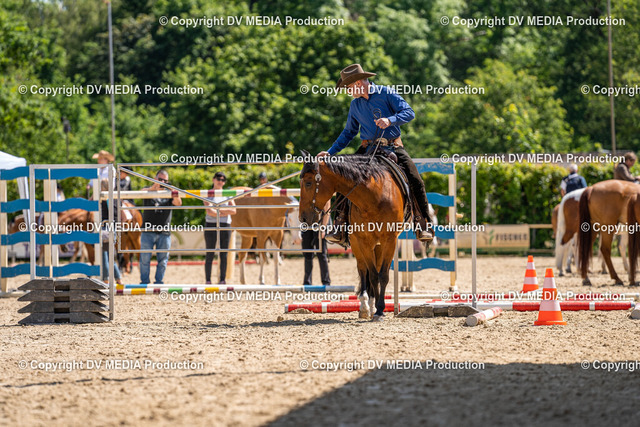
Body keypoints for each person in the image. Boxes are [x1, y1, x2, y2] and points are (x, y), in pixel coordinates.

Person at [317, 63, 434, 246]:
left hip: (393, 147)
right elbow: (349, 132)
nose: (348, 91)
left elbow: (409, 113)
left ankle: (422, 224)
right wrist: (330, 153)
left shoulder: (386, 93)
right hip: (367, 149)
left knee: (415, 179)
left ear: (358, 83)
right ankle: (339, 225)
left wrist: (390, 120)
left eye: (348, 87)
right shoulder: (355, 105)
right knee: (343, 176)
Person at [139, 169, 182, 284]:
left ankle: (159, 282)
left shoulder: (169, 193)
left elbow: (178, 203)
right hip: (148, 231)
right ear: (155, 179)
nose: (162, 182)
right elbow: (140, 192)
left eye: (165, 181)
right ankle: (144, 282)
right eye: (160, 179)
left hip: (164, 232)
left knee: (163, 260)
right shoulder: (148, 190)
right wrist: (154, 187)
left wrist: (173, 190)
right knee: (144, 259)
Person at [204, 172, 236, 284]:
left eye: (223, 180)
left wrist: (217, 210)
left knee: (224, 254)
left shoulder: (228, 193)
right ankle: (208, 280)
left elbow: (234, 210)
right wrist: (224, 212)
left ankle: (222, 279)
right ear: (213, 179)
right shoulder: (208, 193)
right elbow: (209, 212)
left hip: (225, 225)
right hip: (211, 224)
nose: (220, 181)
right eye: (218, 179)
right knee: (210, 253)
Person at [302, 201, 331, 286]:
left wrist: (323, 227)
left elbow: (327, 208)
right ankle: (307, 282)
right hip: (307, 223)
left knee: (321, 254)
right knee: (307, 254)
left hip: (320, 223)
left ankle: (326, 282)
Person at [99, 179, 122, 285]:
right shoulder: (116, 197)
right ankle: (118, 278)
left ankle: (106, 279)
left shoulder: (103, 198)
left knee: (104, 255)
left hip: (105, 228)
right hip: (114, 228)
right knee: (110, 256)